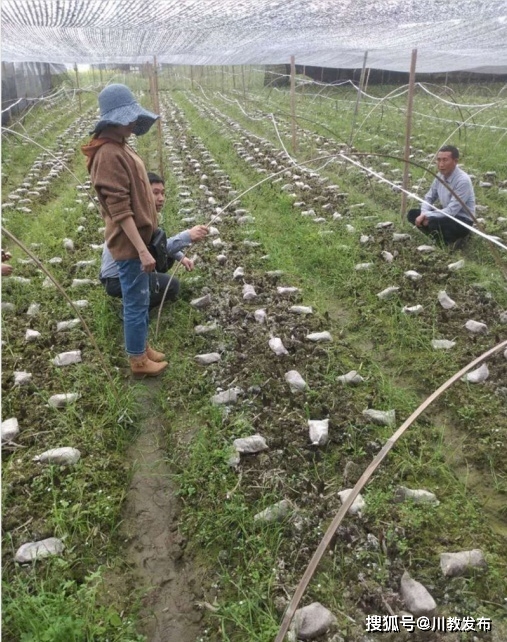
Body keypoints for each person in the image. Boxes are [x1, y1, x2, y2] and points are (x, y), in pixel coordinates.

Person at [82, 83, 168, 378]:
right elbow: (120, 210)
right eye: (128, 116)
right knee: (134, 301)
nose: (133, 121)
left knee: (141, 297)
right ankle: (138, 361)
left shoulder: (119, 146)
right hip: (130, 245)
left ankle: (141, 347)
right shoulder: (107, 154)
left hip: (138, 241)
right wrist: (142, 250)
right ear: (114, 119)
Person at [99, 172, 209, 310]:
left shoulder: (145, 213)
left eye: (163, 193)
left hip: (129, 268)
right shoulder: (135, 220)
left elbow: (156, 245)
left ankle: (144, 289)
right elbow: (153, 248)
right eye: (155, 193)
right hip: (117, 279)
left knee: (168, 258)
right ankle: (131, 308)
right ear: (142, 194)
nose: (161, 198)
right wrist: (187, 235)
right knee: (172, 286)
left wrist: (181, 257)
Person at [407, 145, 475, 246]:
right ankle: (436, 235)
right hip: (445, 215)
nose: (441, 164)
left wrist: (427, 216)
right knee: (412, 214)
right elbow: (429, 197)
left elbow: (452, 211)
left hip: (461, 220)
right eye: (438, 160)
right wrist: (424, 213)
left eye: (445, 160)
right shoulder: (440, 176)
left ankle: (453, 241)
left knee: (433, 223)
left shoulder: (463, 181)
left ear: (455, 161)